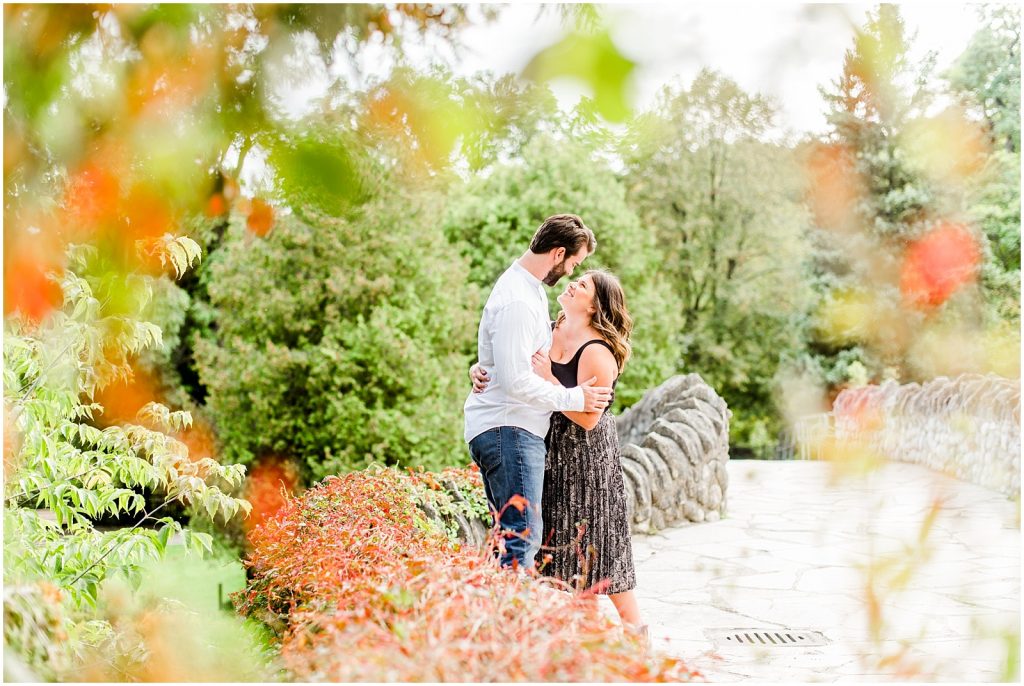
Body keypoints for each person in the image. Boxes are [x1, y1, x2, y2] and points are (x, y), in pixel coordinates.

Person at [471, 269, 645, 637]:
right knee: (570, 557)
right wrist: (480, 368)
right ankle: (591, 645)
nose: (572, 283)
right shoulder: (549, 328)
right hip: (549, 451)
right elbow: (512, 361)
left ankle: (636, 633)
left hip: (588, 460)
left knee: (602, 550)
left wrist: (550, 378)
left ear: (595, 305)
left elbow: (587, 418)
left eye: (582, 285)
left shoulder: (598, 351)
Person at [463, 214, 614, 572]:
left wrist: (483, 367)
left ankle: (500, 618)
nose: (570, 272)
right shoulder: (519, 299)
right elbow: (517, 381)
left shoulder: (527, 290)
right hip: (509, 429)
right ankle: (513, 623)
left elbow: (508, 360)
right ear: (558, 253)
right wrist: (575, 397)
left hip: (509, 428)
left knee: (510, 536)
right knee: (521, 537)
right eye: (573, 263)